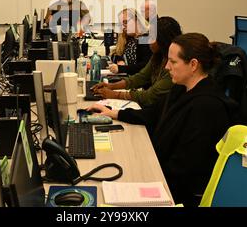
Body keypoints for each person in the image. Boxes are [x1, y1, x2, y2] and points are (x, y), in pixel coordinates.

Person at [88, 33, 237, 206]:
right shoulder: (182, 88)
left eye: (173, 62)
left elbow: (185, 168)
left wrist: (141, 171)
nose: (166, 66)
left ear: (193, 64)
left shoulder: (207, 106)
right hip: (161, 174)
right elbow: (154, 113)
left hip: (176, 193)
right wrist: (114, 113)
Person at [92, 16, 182, 106]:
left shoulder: (173, 65)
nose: (148, 41)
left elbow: (150, 95)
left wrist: (114, 94)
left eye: (152, 37)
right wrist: (111, 86)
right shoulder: (158, 55)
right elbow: (141, 77)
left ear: (163, 40)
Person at [109, 8, 152, 75]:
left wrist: (121, 68)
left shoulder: (145, 38)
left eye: (125, 22)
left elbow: (145, 65)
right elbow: (115, 53)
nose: (123, 27)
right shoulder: (129, 38)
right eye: (121, 24)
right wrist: (120, 59)